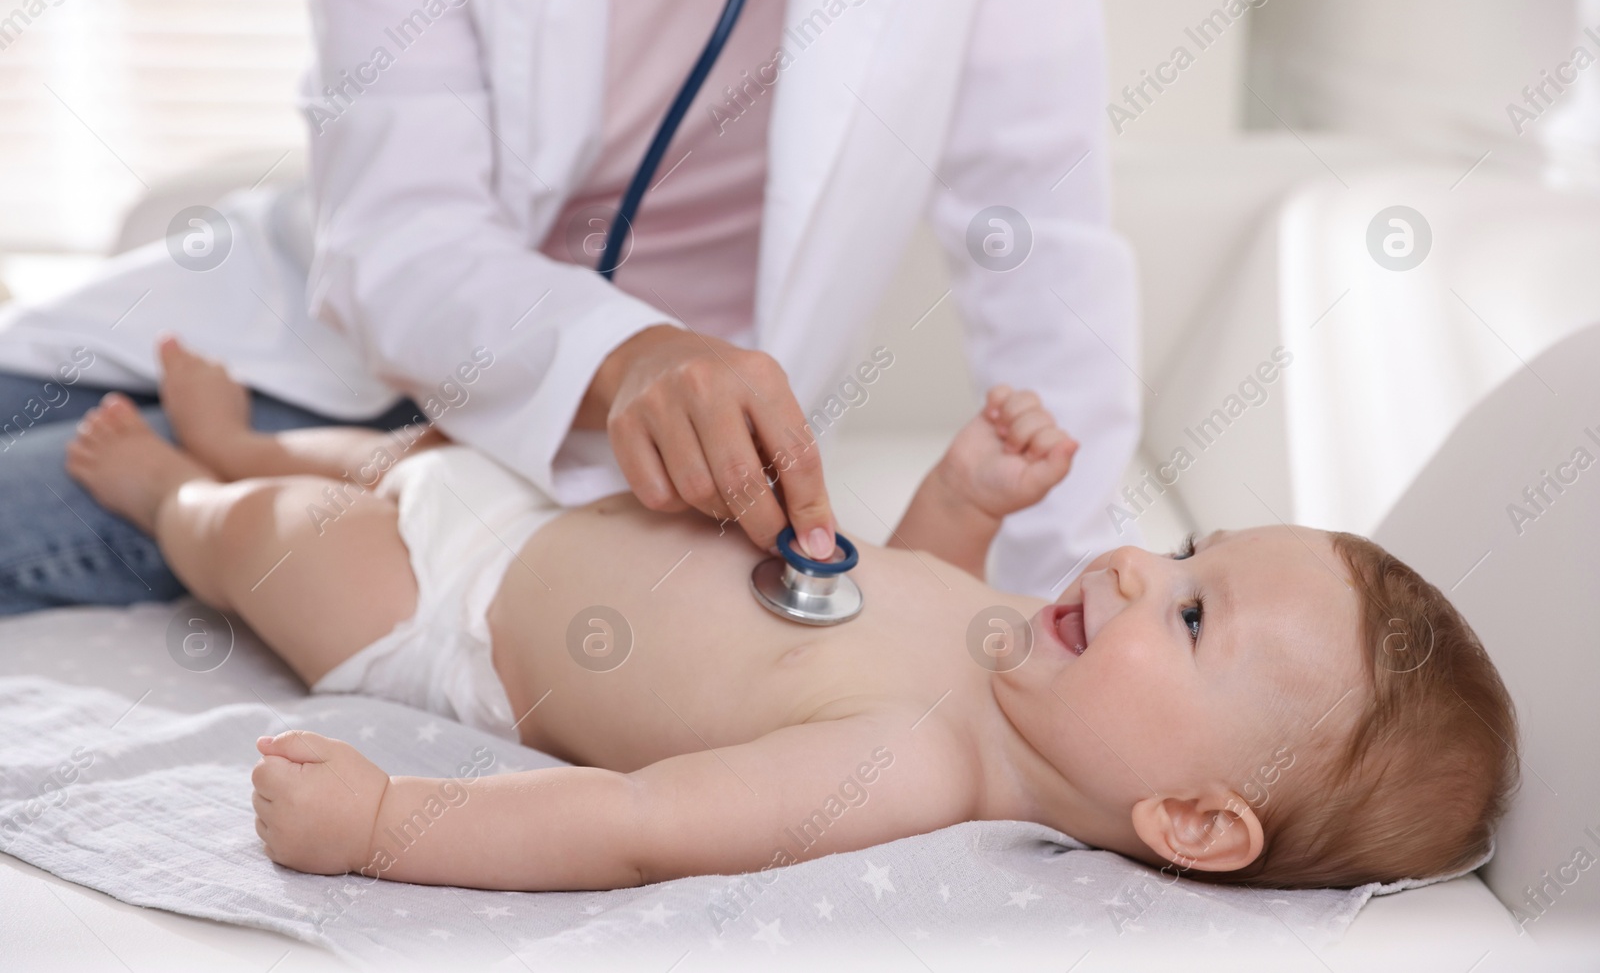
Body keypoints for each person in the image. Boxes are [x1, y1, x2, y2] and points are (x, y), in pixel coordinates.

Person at [0, 0, 1138, 613]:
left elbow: (1038, 241)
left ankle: (229, 459)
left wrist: (1059, 602)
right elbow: (402, 233)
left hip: (592, 472)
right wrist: (626, 353)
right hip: (328, 345)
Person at [64, 336, 1517, 890]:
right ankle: (254, 436)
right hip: (525, 513)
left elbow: (638, 823)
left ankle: (172, 489)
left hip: (451, 616)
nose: (1139, 566)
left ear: (1197, 817)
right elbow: (890, 577)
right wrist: (966, 491)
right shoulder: (1014, 637)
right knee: (392, 453)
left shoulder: (907, 764)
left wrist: (386, 826)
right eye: (1187, 551)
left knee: (270, 542)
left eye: (1192, 617)